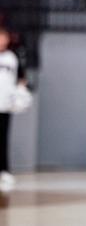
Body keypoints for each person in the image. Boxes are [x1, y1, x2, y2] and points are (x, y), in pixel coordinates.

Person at [0, 27, 26, 189]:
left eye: (3, 38)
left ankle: (4, 171)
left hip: (5, 105)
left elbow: (21, 79)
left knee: (2, 139)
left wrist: (20, 95)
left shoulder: (12, 58)